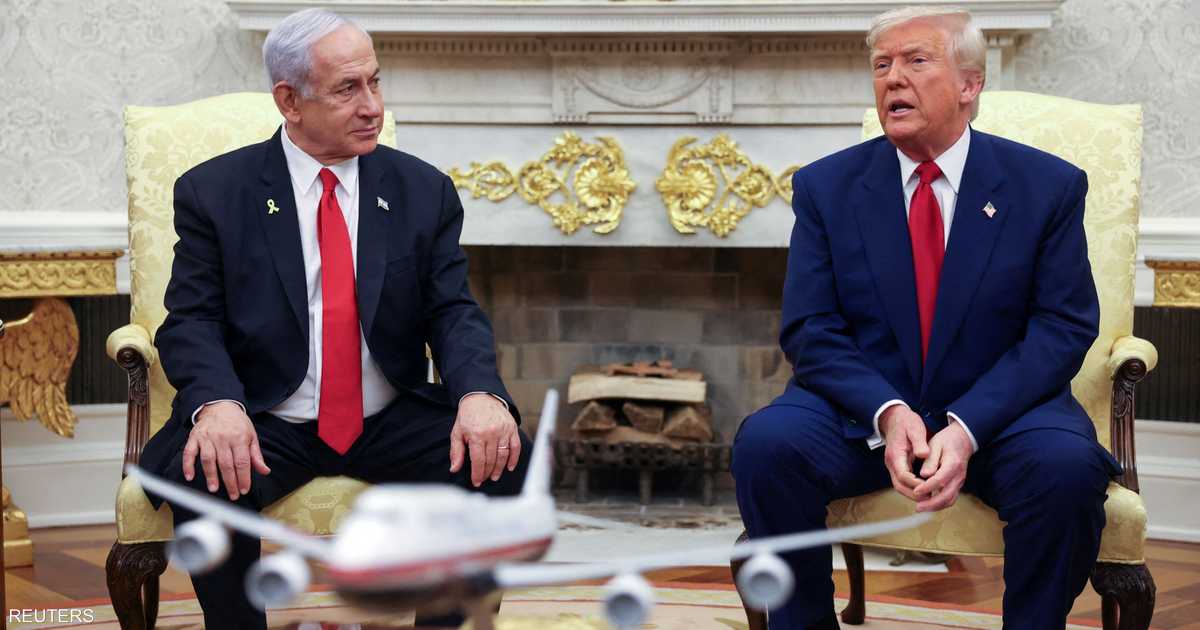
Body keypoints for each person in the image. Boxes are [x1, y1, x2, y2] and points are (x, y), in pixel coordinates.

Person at [732, 6, 1121, 630]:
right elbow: (811, 327)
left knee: (1066, 470)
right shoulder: (827, 187)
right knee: (766, 446)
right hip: (864, 413)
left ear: (970, 85)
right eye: (881, 65)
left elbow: (1062, 325)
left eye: (916, 61)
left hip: (1001, 415)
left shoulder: (1045, 186)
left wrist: (967, 427)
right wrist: (887, 411)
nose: (893, 78)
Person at [138, 8, 528, 629]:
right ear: (289, 101)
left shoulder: (422, 190)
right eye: (348, 89)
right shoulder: (217, 193)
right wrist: (218, 405)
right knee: (206, 470)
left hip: (386, 415)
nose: (372, 106)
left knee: (503, 455)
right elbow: (191, 321)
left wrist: (480, 393)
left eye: (375, 82)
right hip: (268, 414)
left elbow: (452, 309)